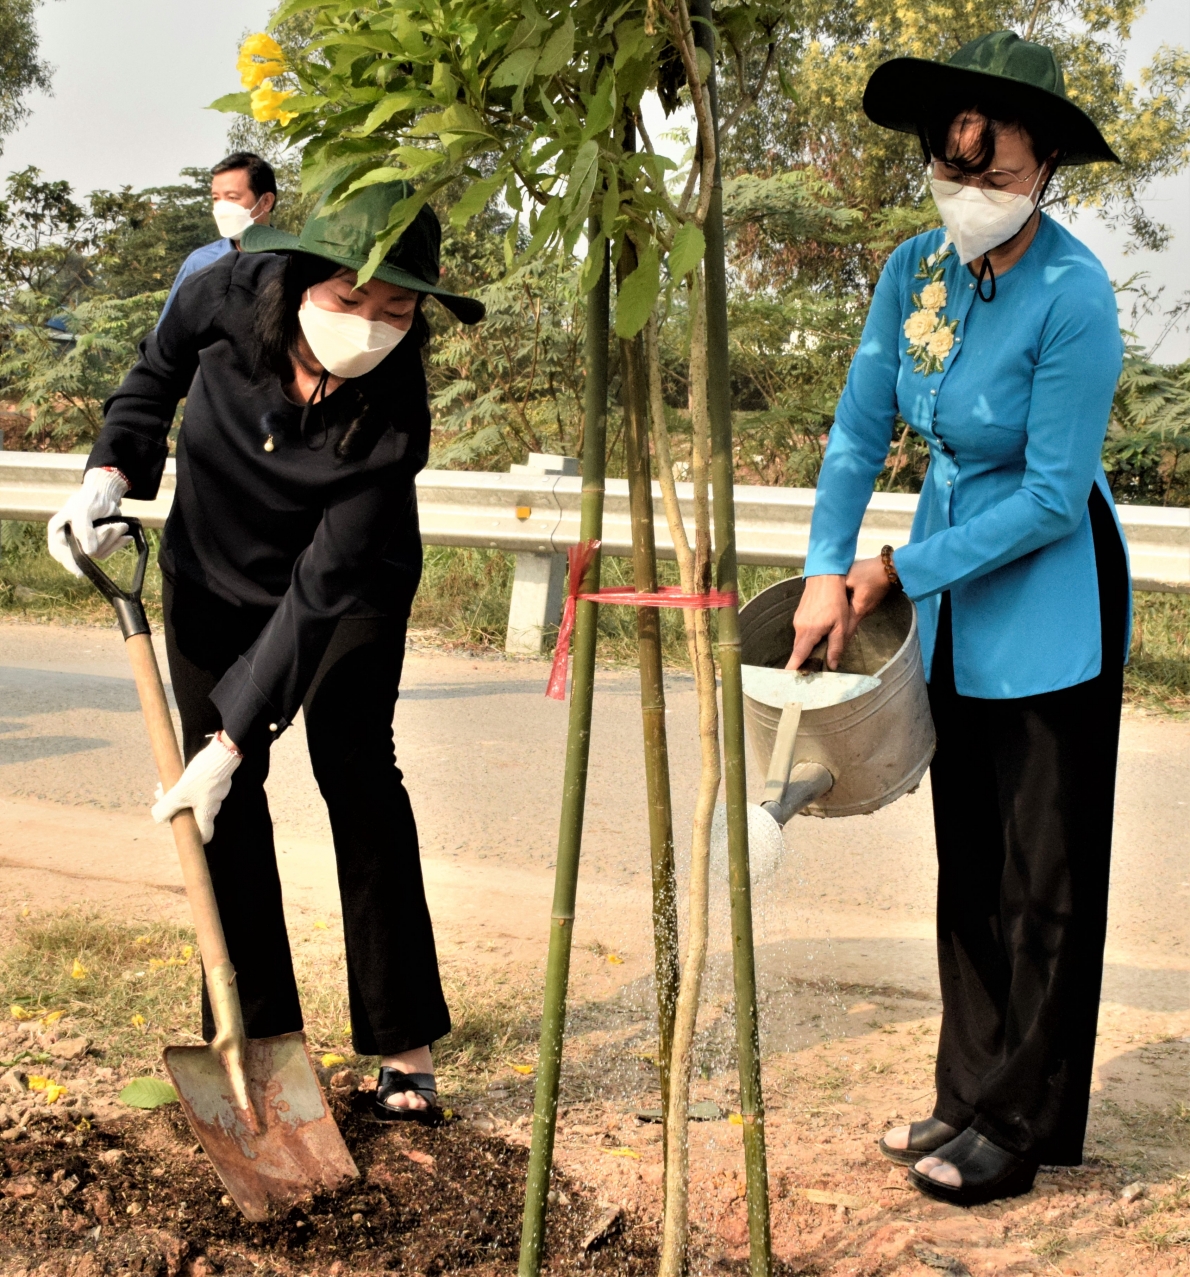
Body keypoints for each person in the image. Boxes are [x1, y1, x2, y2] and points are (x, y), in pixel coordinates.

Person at [47, 181, 484, 1123]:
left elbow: (321, 591)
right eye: (348, 299)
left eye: (397, 310)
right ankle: (259, 1043)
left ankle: (403, 1049)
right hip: (211, 572)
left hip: (349, 586)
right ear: (293, 282)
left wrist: (236, 735)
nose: (370, 325)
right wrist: (108, 474)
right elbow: (152, 376)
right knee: (226, 813)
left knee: (359, 772)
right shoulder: (221, 292)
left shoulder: (394, 413)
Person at [790, 31, 1129, 1205]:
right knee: (967, 855)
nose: (966, 193)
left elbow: (1047, 494)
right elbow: (853, 428)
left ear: (1041, 165)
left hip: (1043, 588)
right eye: (949, 170)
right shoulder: (911, 274)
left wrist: (893, 568)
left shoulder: (1073, 295)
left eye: (989, 173)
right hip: (939, 586)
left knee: (1042, 871)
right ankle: (965, 1084)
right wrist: (826, 566)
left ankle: (1025, 1117)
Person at [159, 152, 278, 321]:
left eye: (232, 197)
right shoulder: (200, 263)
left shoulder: (295, 262)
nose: (222, 207)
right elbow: (166, 338)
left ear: (266, 201)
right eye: (216, 198)